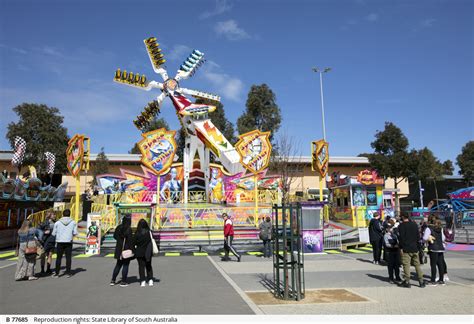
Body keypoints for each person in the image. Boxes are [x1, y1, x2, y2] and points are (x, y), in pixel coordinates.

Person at [398, 213, 425, 288]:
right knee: (417, 265)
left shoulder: (401, 226)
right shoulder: (414, 224)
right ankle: (421, 281)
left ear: (403, 217)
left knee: (406, 265)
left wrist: (401, 248)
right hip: (415, 248)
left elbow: (401, 238)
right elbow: (418, 236)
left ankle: (407, 281)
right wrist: (419, 247)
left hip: (406, 248)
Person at [52, 209, 78, 278]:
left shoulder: (57, 223)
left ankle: (57, 273)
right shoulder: (73, 222)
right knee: (68, 257)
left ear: (62, 214)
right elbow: (75, 233)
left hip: (59, 242)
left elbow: (53, 233)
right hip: (68, 241)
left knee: (58, 258)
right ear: (70, 214)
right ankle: (68, 273)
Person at [111, 216, 134, 287]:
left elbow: (114, 236)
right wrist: (133, 249)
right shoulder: (129, 229)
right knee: (126, 265)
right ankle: (123, 281)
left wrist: (119, 240)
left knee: (118, 265)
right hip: (126, 249)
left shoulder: (118, 227)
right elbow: (130, 241)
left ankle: (113, 280)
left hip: (118, 249)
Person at [423, 219, 447, 286]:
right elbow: (443, 238)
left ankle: (433, 280)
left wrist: (428, 238)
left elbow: (425, 238)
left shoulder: (429, 228)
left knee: (433, 264)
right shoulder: (440, 229)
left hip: (433, 248)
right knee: (440, 264)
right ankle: (441, 280)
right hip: (440, 247)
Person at [134, 219, 154, 287]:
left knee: (141, 266)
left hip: (139, 252)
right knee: (148, 265)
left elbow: (134, 242)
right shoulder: (149, 232)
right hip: (148, 251)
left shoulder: (137, 233)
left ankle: (142, 281)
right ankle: (150, 279)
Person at [383, 219, 402, 284]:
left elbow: (398, 241)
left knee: (396, 265)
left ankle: (397, 277)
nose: (391, 229)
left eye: (391, 228)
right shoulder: (386, 235)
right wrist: (393, 246)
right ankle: (391, 278)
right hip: (389, 252)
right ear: (387, 229)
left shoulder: (394, 235)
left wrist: (398, 245)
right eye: (389, 228)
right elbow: (387, 244)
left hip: (396, 251)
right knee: (390, 266)